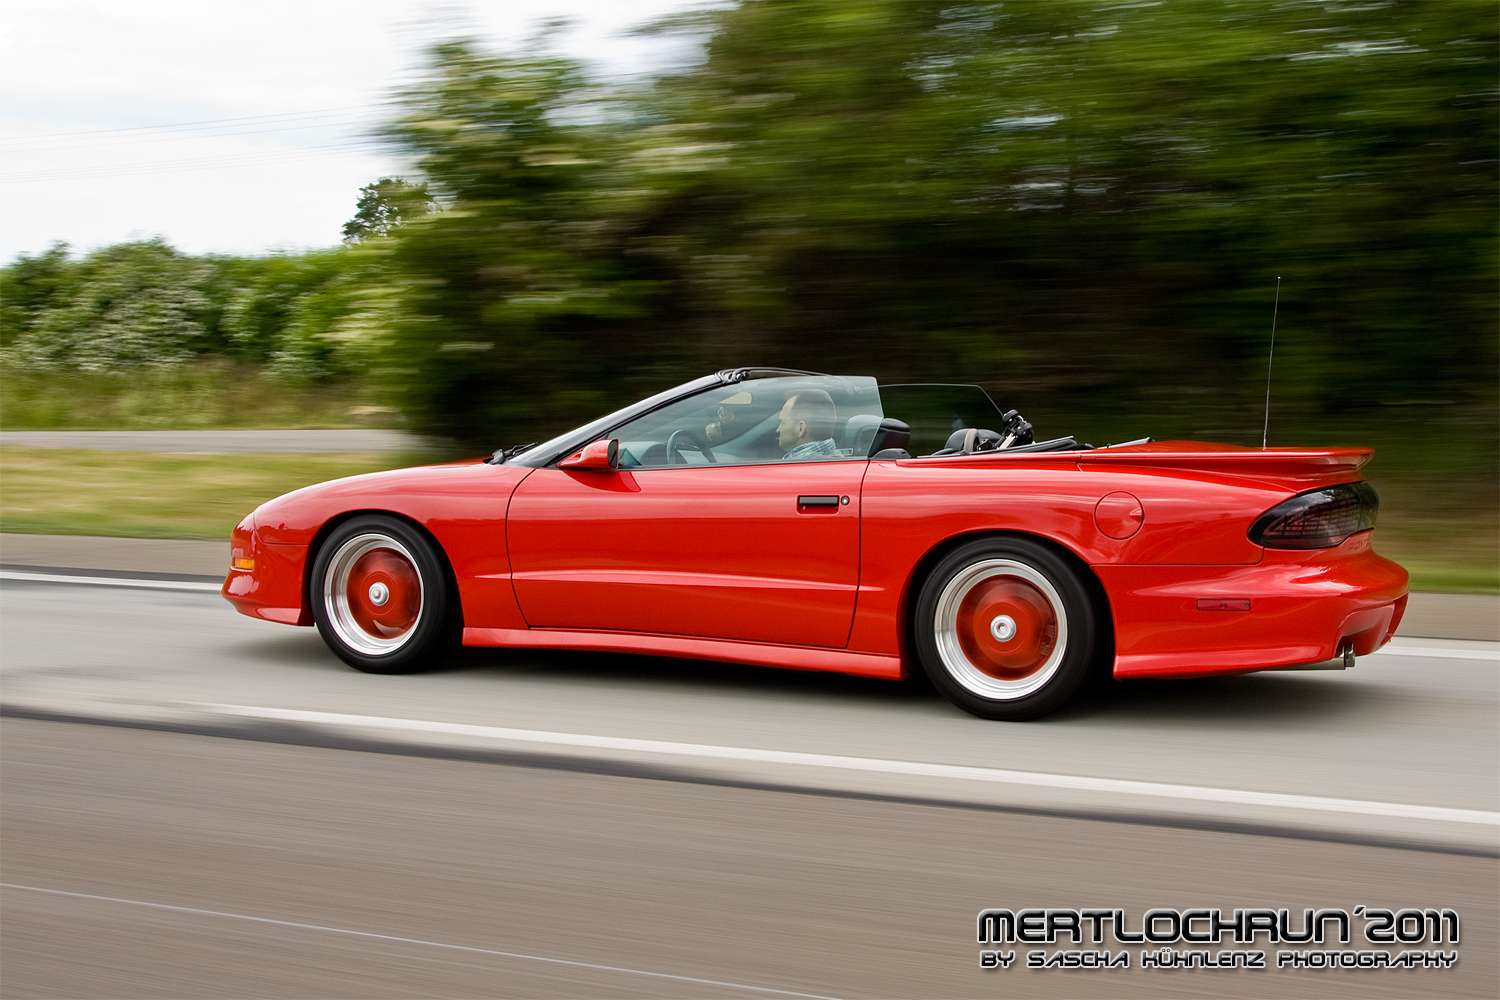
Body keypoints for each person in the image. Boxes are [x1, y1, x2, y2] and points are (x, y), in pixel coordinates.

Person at [778, 389, 840, 460]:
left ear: (800, 429)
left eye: (783, 422)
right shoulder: (840, 460)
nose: (778, 429)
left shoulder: (796, 467)